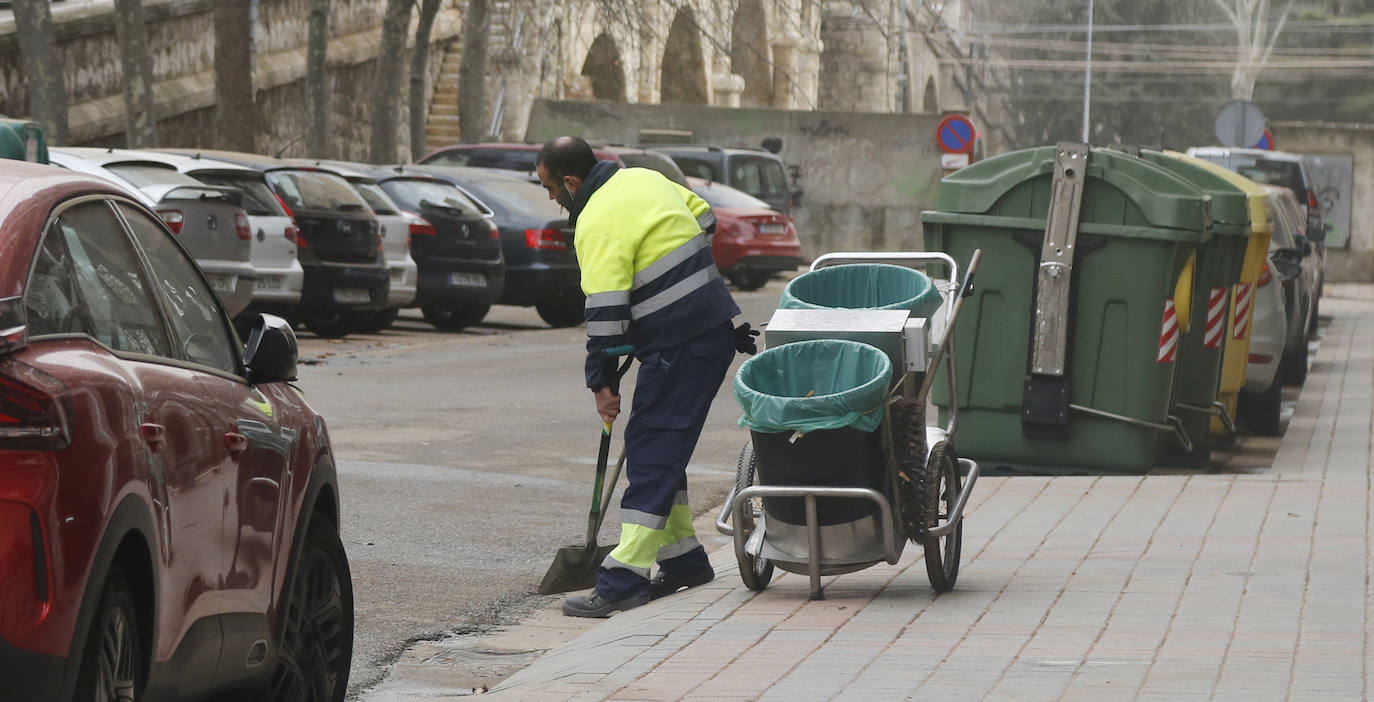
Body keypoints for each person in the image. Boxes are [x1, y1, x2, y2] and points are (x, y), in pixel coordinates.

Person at [536, 136, 757, 618]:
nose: (552, 199)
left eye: (550, 189)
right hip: (706, 329)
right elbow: (703, 218)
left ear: (571, 183)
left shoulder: (593, 223)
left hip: (685, 342)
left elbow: (605, 314)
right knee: (656, 444)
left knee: (654, 446)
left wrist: (603, 382)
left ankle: (622, 580)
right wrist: (671, 287)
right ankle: (683, 560)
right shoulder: (644, 179)